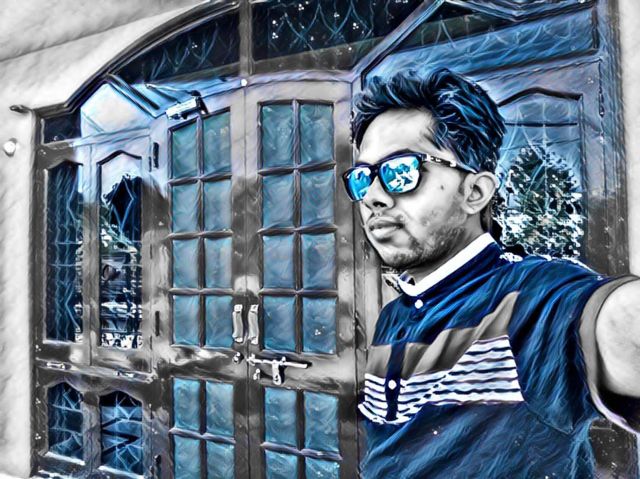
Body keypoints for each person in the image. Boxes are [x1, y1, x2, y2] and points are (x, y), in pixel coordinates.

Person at [344, 68, 640, 478]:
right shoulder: (395, 314)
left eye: (401, 172)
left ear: (475, 192)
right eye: (363, 178)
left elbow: (620, 322)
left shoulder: (531, 302)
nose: (373, 197)